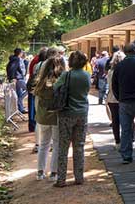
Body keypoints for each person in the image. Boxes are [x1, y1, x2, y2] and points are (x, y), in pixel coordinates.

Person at [54, 50, 91, 187]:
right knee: (79, 146)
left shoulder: (66, 75)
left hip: (66, 114)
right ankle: (79, 177)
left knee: (63, 147)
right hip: (82, 113)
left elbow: (55, 88)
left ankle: (61, 179)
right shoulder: (87, 75)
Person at [34, 55, 65, 181]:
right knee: (57, 144)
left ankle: (40, 172)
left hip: (43, 116)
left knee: (43, 144)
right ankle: (54, 173)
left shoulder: (40, 82)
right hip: (57, 116)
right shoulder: (61, 81)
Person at [106, 51, 126, 147]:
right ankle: (128, 139)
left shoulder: (110, 72)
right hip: (123, 98)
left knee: (115, 120)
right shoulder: (124, 71)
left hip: (112, 98)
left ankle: (117, 141)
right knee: (126, 120)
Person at [7, 48, 27, 113]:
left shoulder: (14, 59)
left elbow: (10, 68)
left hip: (18, 78)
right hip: (18, 78)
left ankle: (20, 108)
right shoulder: (16, 59)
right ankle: (19, 102)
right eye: (22, 53)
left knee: (19, 93)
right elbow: (12, 68)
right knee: (29, 89)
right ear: (20, 53)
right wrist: (12, 78)